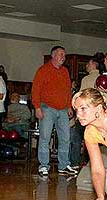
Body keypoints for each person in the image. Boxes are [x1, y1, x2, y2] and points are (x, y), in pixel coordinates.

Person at [32, 45, 78, 178]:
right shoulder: (43, 70)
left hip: (63, 110)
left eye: (64, 55)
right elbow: (35, 89)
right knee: (45, 138)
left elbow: (68, 90)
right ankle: (44, 166)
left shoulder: (65, 71)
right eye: (60, 54)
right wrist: (37, 107)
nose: (63, 57)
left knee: (65, 138)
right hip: (47, 108)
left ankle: (64, 165)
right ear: (53, 55)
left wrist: (69, 106)